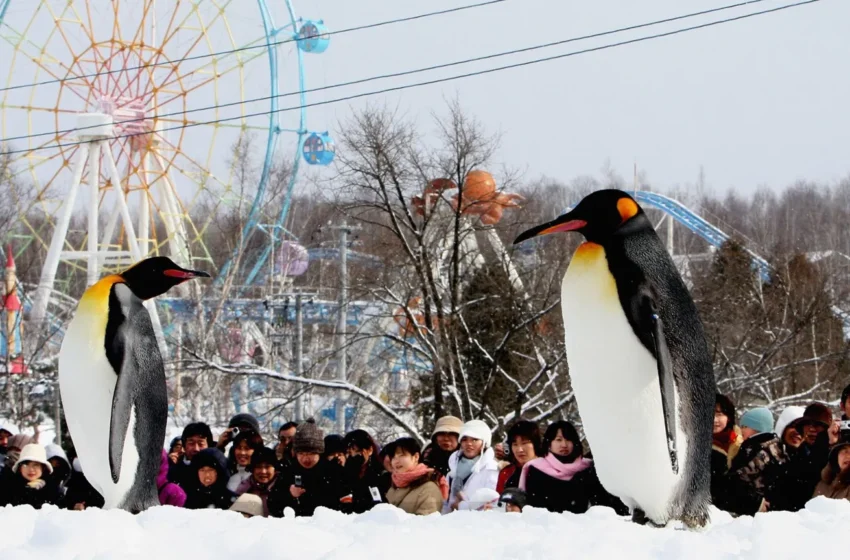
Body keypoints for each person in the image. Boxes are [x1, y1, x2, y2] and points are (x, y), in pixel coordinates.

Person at [519, 420, 627, 515]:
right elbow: (534, 508)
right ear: (549, 443)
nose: (564, 445)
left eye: (568, 439)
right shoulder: (537, 469)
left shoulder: (589, 468)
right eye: (558, 440)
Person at [268, 419, 347, 517]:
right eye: (301, 454)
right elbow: (273, 505)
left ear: (319, 452)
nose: (305, 458)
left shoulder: (334, 471)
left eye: (311, 454)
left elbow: (346, 504)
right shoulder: (290, 471)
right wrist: (290, 495)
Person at [724, 407, 787, 514]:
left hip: (758, 503)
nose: (741, 430)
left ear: (758, 427)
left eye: (745, 426)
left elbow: (739, 476)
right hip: (762, 502)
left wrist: (728, 481)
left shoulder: (757, 449)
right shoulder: (774, 446)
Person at [444, 419, 499, 513]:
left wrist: (461, 507)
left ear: (484, 442)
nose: (469, 443)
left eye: (474, 439)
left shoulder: (492, 468)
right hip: (451, 523)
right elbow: (445, 502)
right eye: (464, 439)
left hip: (476, 524)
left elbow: (491, 502)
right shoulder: (453, 468)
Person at [385, 437, 447, 515]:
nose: (396, 461)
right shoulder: (395, 484)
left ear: (416, 457)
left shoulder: (429, 488)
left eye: (402, 455)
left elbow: (426, 523)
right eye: (393, 457)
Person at [0, 443, 58, 509]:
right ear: (20, 467)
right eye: (26, 464)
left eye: (36, 465)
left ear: (43, 467)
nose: (31, 469)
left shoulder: (52, 489)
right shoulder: (7, 487)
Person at [342, 429, 387, 513]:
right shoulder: (344, 475)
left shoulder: (382, 477)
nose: (352, 455)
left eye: (356, 450)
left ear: (369, 450)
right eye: (348, 452)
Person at [497, 420, 541, 493]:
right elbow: (499, 501)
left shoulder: (550, 471)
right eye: (515, 444)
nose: (519, 450)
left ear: (535, 444)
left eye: (524, 443)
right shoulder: (507, 473)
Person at [235, 446, 280, 516]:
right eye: (258, 467)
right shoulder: (245, 489)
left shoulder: (283, 488)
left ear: (275, 469)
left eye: (267, 467)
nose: (263, 471)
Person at [169, 422, 214, 488]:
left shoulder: (216, 470)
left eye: (201, 444)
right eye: (191, 443)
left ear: (208, 445)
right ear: (184, 446)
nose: (196, 449)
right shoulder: (174, 470)